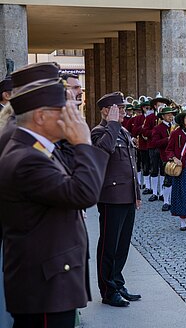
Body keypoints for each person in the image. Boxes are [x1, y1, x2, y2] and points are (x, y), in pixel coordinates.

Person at [0, 74, 108, 327]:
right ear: (41, 116)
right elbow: (84, 194)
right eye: (64, 110)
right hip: (45, 287)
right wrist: (83, 142)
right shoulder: (27, 158)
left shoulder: (35, 149)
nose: (72, 117)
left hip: (49, 281)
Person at [91, 92, 142, 308]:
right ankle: (108, 289)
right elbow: (103, 151)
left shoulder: (123, 131)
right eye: (118, 109)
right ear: (105, 110)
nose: (123, 112)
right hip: (111, 197)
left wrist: (137, 195)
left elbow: (131, 166)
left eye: (123, 108)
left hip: (127, 196)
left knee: (122, 245)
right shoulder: (100, 132)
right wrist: (112, 124)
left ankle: (118, 283)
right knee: (109, 246)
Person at [143, 95, 172, 201]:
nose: (162, 105)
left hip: (165, 150)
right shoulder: (150, 118)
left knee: (165, 170)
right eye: (160, 104)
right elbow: (144, 131)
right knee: (154, 169)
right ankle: (154, 192)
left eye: (164, 104)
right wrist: (156, 132)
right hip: (153, 147)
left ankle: (163, 193)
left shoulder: (171, 123)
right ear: (155, 106)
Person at [149, 106, 178, 211]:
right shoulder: (158, 128)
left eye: (172, 115)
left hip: (176, 156)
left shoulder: (176, 126)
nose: (171, 117)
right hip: (164, 156)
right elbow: (155, 143)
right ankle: (166, 202)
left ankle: (174, 200)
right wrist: (168, 139)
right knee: (168, 179)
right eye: (168, 115)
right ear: (163, 116)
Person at [130, 99, 152, 193]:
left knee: (153, 166)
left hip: (152, 144)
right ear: (143, 108)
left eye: (150, 108)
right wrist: (142, 127)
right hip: (142, 145)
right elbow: (134, 131)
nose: (148, 109)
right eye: (147, 108)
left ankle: (153, 187)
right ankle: (146, 185)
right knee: (144, 165)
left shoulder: (153, 118)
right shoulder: (138, 118)